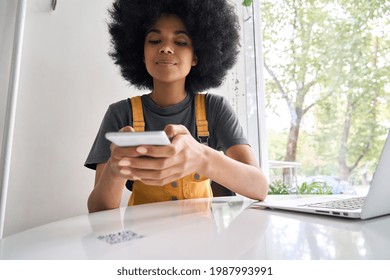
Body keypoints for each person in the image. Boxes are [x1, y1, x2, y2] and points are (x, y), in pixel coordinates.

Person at [85, 0, 269, 213]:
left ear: (196, 56)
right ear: (140, 53)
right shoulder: (120, 114)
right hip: (143, 243)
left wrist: (202, 157)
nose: (165, 48)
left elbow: (259, 188)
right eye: (154, 40)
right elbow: (97, 211)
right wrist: (114, 171)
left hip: (202, 243)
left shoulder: (215, 109)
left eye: (180, 42)